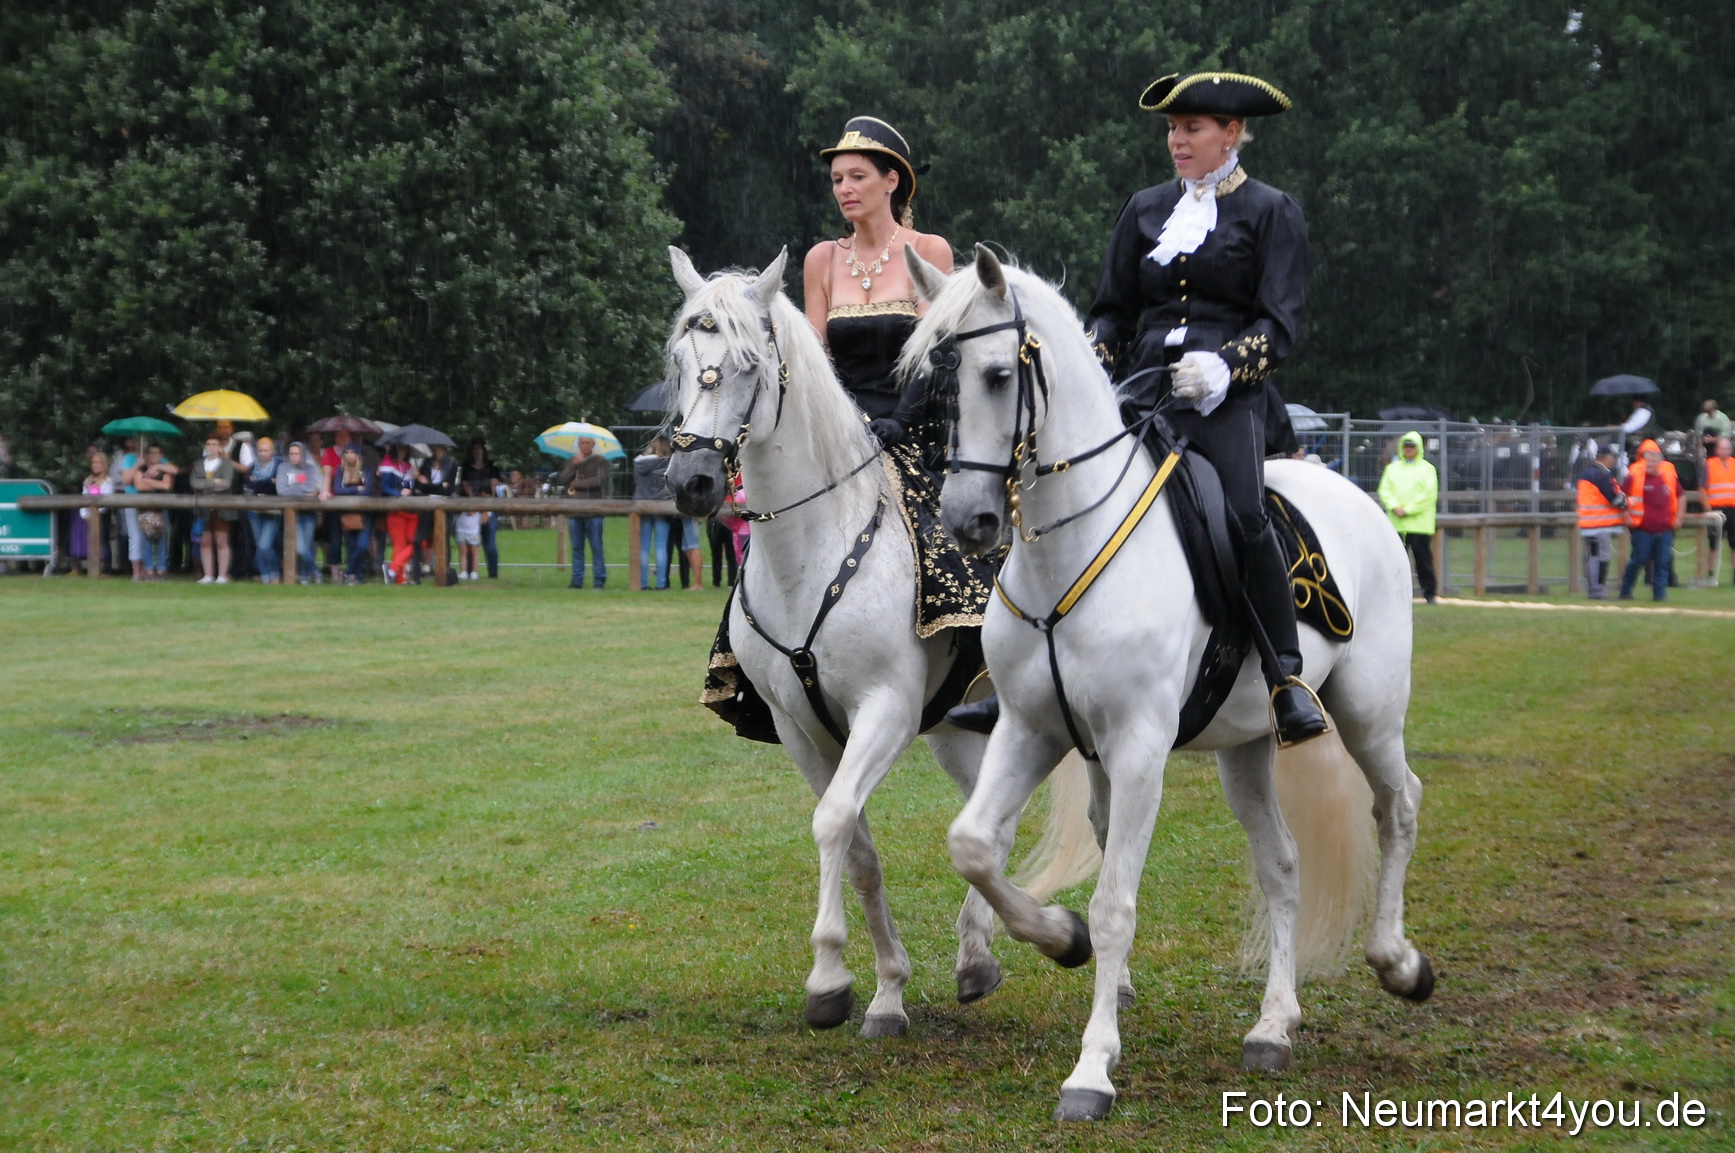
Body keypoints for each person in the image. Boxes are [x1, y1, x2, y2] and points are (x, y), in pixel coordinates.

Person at [1080, 70, 1326, 744]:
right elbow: (1112, 312)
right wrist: (1091, 360)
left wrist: (1225, 364)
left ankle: (1286, 677)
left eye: (1191, 128)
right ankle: (1024, 672)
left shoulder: (1271, 211)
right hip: (1142, 389)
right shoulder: (1143, 208)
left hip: (1226, 397)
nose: (1176, 141)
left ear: (1231, 133)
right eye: (1171, 128)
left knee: (1244, 515)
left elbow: (1280, 324)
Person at [1378, 431, 1439, 604]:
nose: (1409, 449)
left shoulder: (1427, 469)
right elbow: (1384, 490)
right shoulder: (1392, 469)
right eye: (1406, 446)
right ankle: (1394, 594)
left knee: (1423, 561)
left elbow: (1429, 494)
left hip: (1420, 525)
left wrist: (1408, 510)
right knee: (1395, 561)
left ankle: (1430, 593)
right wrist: (1394, 506)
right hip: (1397, 524)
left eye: (1412, 446)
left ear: (1418, 448)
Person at [1618, 438, 1682, 601]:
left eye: (1654, 461)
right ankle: (1626, 590)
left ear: (1660, 462)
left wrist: (1679, 518)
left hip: (1664, 528)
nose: (1650, 464)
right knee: (1638, 560)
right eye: (1648, 460)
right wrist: (1625, 515)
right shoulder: (1634, 477)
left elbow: (1681, 496)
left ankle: (1659, 595)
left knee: (1662, 562)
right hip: (1642, 529)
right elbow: (1621, 497)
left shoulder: (1669, 477)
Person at [555, 436, 609, 588]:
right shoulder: (573, 461)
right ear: (578, 445)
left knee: (596, 548)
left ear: (593, 445)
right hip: (574, 511)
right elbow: (563, 479)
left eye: (588, 443)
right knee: (576, 548)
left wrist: (577, 483)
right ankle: (577, 580)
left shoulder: (600, 461)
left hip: (594, 511)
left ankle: (599, 580)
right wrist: (574, 465)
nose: (585, 446)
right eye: (582, 443)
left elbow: (598, 481)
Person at [1575, 444, 1627, 599]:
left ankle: (1594, 589)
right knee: (1600, 558)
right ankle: (1597, 590)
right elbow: (1614, 498)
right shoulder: (1602, 475)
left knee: (1592, 556)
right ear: (1607, 457)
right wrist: (1625, 501)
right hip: (1600, 525)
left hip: (1588, 524)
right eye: (1613, 456)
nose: (1614, 460)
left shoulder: (1587, 474)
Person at [189, 435, 237, 583]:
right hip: (202, 508)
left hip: (221, 507)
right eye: (208, 444)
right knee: (205, 541)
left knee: (221, 541)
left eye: (214, 444)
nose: (211, 447)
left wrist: (205, 483)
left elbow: (226, 484)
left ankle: (222, 575)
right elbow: (194, 483)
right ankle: (208, 575)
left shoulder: (226, 464)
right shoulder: (198, 464)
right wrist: (214, 481)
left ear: (219, 447)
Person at [276, 441, 325, 583]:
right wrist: (302, 490)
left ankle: (304, 576)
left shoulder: (310, 468)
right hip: (291, 514)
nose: (293, 456)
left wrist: (292, 487)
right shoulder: (282, 467)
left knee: (307, 545)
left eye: (296, 454)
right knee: (301, 548)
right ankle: (316, 572)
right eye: (291, 454)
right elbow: (281, 490)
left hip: (308, 513)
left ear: (302, 454)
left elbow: (311, 488)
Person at [632, 435, 674, 590]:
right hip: (662, 506)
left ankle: (643, 582)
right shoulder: (667, 463)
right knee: (661, 547)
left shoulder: (639, 463)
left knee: (643, 547)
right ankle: (661, 583)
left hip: (642, 505)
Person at [331, 444, 375, 585]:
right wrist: (356, 489)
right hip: (348, 513)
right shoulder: (340, 470)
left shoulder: (366, 470)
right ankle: (356, 577)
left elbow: (368, 490)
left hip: (365, 513)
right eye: (347, 452)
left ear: (358, 455)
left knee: (362, 546)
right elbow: (337, 490)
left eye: (353, 452)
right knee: (351, 546)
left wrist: (352, 490)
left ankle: (349, 571)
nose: (349, 455)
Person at [376, 442, 420, 584]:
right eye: (400, 447)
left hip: (411, 510)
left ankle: (392, 569)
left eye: (405, 448)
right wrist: (399, 493)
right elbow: (384, 487)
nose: (403, 450)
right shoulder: (387, 464)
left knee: (417, 542)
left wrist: (416, 479)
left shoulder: (409, 466)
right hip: (395, 510)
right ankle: (399, 578)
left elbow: (412, 488)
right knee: (399, 544)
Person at [133, 443, 178, 579]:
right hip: (144, 509)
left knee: (162, 540)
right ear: (146, 455)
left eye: (156, 453)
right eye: (150, 453)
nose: (153, 455)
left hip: (161, 509)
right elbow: (139, 486)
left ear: (161, 455)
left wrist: (147, 481)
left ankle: (161, 569)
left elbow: (166, 486)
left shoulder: (165, 469)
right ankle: (148, 570)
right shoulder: (140, 469)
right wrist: (156, 484)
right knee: (145, 540)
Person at [459, 439, 502, 579]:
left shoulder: (492, 468)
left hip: (489, 507)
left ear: (484, 450)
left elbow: (493, 491)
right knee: (469, 541)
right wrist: (474, 502)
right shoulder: (466, 468)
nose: (477, 451)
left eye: (479, 448)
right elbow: (465, 487)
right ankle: (469, 571)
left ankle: (493, 573)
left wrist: (486, 511)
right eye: (474, 448)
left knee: (489, 542)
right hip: (471, 508)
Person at [245, 437, 284, 583]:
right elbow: (249, 485)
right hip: (254, 509)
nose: (263, 453)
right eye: (260, 450)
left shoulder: (280, 465)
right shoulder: (252, 466)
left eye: (266, 450)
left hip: (273, 510)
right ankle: (265, 575)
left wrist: (259, 483)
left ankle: (274, 572)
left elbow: (278, 485)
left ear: (272, 451)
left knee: (265, 544)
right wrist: (269, 482)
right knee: (258, 545)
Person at [70, 451, 114, 571]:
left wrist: (96, 514)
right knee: (91, 540)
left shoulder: (108, 481)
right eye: (94, 462)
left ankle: (106, 568)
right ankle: (93, 566)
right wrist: (84, 514)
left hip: (102, 515)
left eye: (98, 462)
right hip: (88, 515)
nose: (95, 465)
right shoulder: (88, 480)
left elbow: (106, 499)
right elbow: (84, 497)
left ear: (104, 464)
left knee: (103, 540)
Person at [1703, 436, 1735, 582]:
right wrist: (1708, 509)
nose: (1726, 451)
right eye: (1723, 448)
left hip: (1733, 509)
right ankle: (1711, 574)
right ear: (1717, 450)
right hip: (1716, 510)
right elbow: (1702, 488)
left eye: (1728, 448)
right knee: (1713, 544)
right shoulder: (1709, 464)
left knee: (1734, 544)